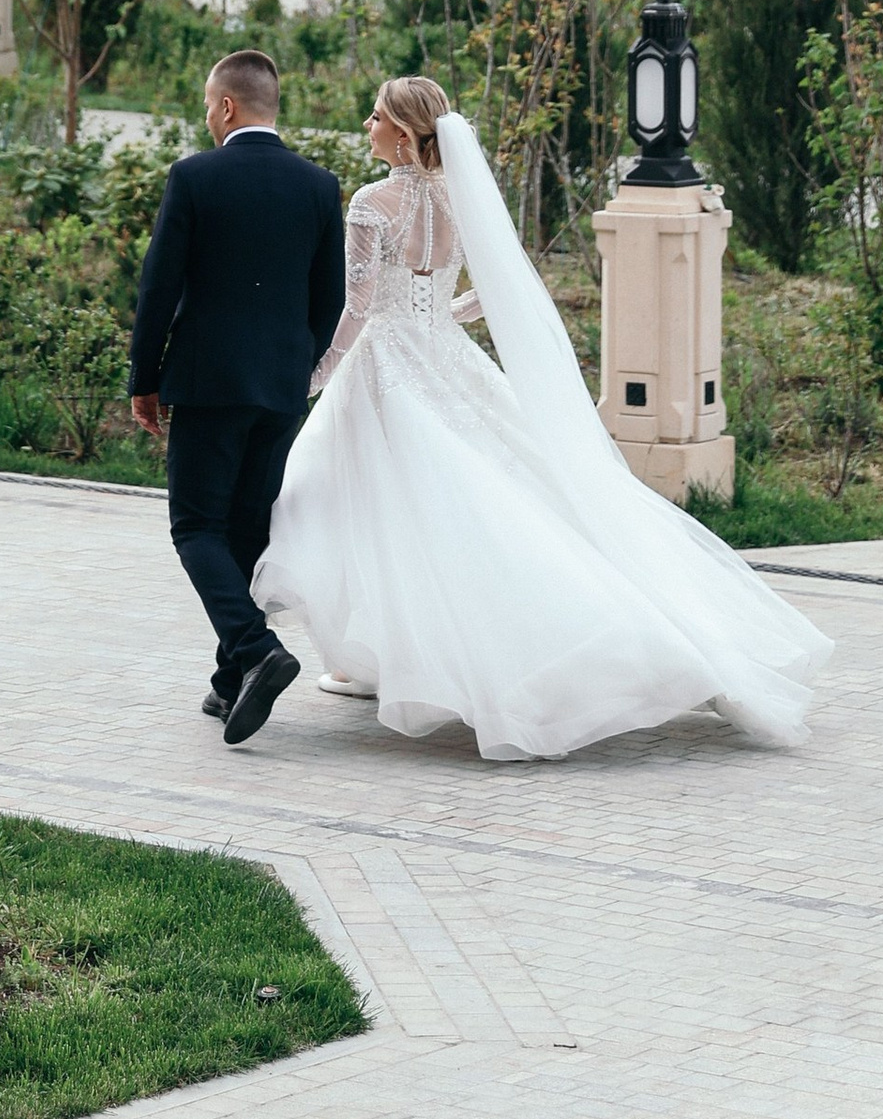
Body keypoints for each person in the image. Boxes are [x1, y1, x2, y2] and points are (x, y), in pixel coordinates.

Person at [255, 74, 830, 761]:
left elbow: (358, 305)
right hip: (445, 355)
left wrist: (317, 376)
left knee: (364, 504)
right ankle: (367, 659)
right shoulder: (455, 197)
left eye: (376, 116)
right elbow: (476, 294)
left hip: (388, 367)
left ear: (404, 134)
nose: (367, 124)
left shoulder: (373, 204)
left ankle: (381, 659)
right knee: (449, 505)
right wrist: (444, 312)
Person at [128, 49, 345, 746]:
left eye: (205, 103)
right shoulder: (319, 185)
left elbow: (159, 286)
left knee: (195, 526)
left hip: (208, 380)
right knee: (248, 533)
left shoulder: (194, 175)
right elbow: (330, 297)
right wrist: (293, 367)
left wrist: (144, 377)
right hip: (280, 388)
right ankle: (231, 684)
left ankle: (255, 650)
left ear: (225, 107)